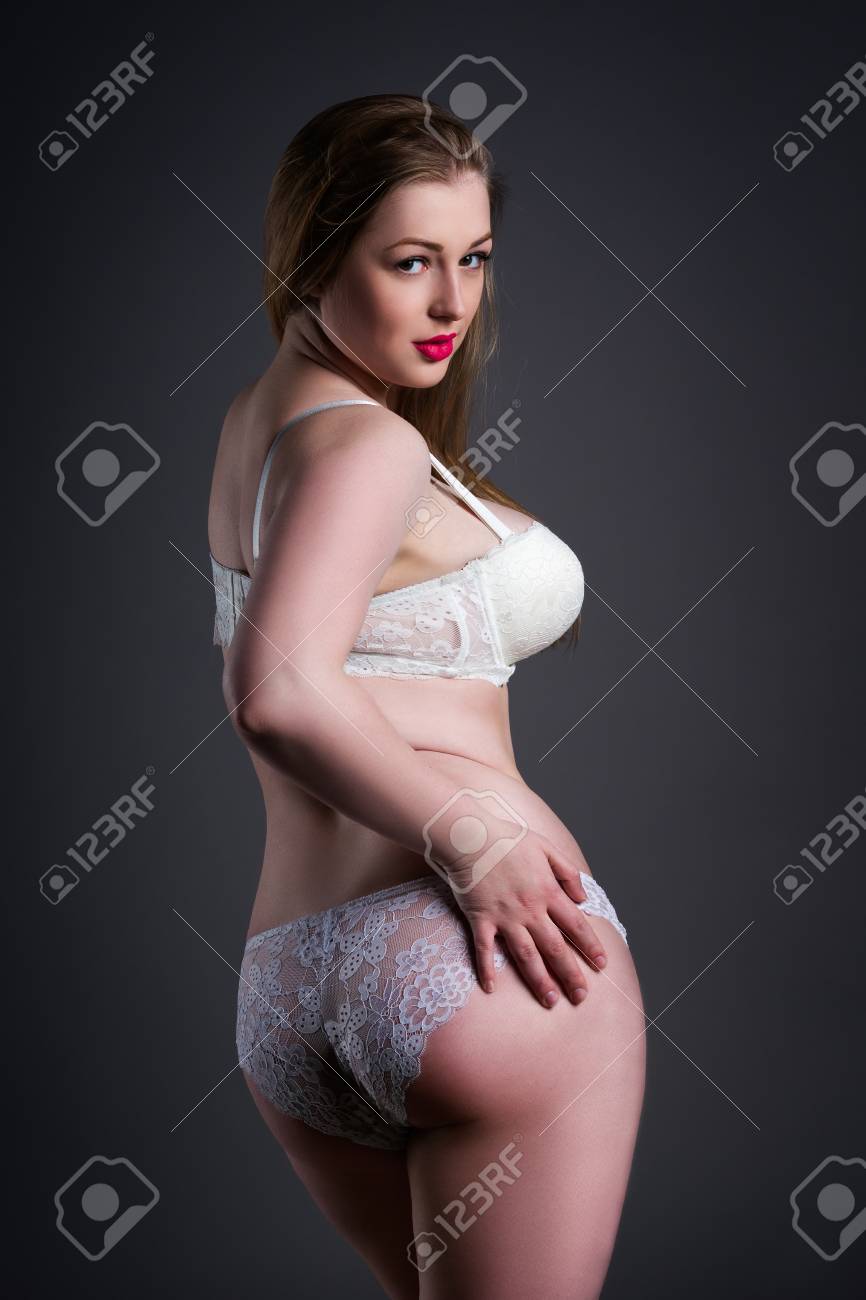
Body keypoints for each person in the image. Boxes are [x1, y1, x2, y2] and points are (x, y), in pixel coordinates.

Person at [208, 93, 646, 1300]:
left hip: (293, 992)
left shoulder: (261, 422)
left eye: (474, 259)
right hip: (473, 965)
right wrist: (470, 840)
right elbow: (275, 689)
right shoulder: (369, 445)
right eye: (408, 262)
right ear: (313, 254)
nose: (453, 302)